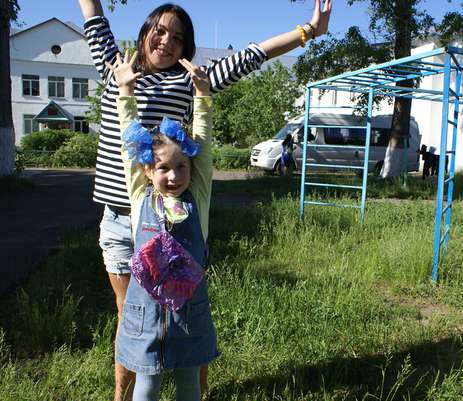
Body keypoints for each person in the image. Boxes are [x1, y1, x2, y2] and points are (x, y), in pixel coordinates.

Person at [77, 1, 332, 399]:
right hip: (120, 220)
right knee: (129, 315)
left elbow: (251, 56)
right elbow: (94, 16)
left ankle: (197, 391)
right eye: (161, 31)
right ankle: (121, 395)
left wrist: (308, 31)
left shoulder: (187, 80)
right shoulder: (115, 65)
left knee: (187, 311)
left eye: (178, 38)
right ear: (146, 31)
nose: (167, 41)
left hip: (173, 221)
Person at [108, 48, 214, 401]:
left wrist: (202, 96)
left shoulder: (197, 197)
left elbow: (203, 146)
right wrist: (126, 91)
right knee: (147, 384)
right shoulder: (141, 197)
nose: (173, 175)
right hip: (146, 317)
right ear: (147, 170)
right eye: (163, 168)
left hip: (189, 316)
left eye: (181, 167)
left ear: (191, 169)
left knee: (189, 383)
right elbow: (128, 138)